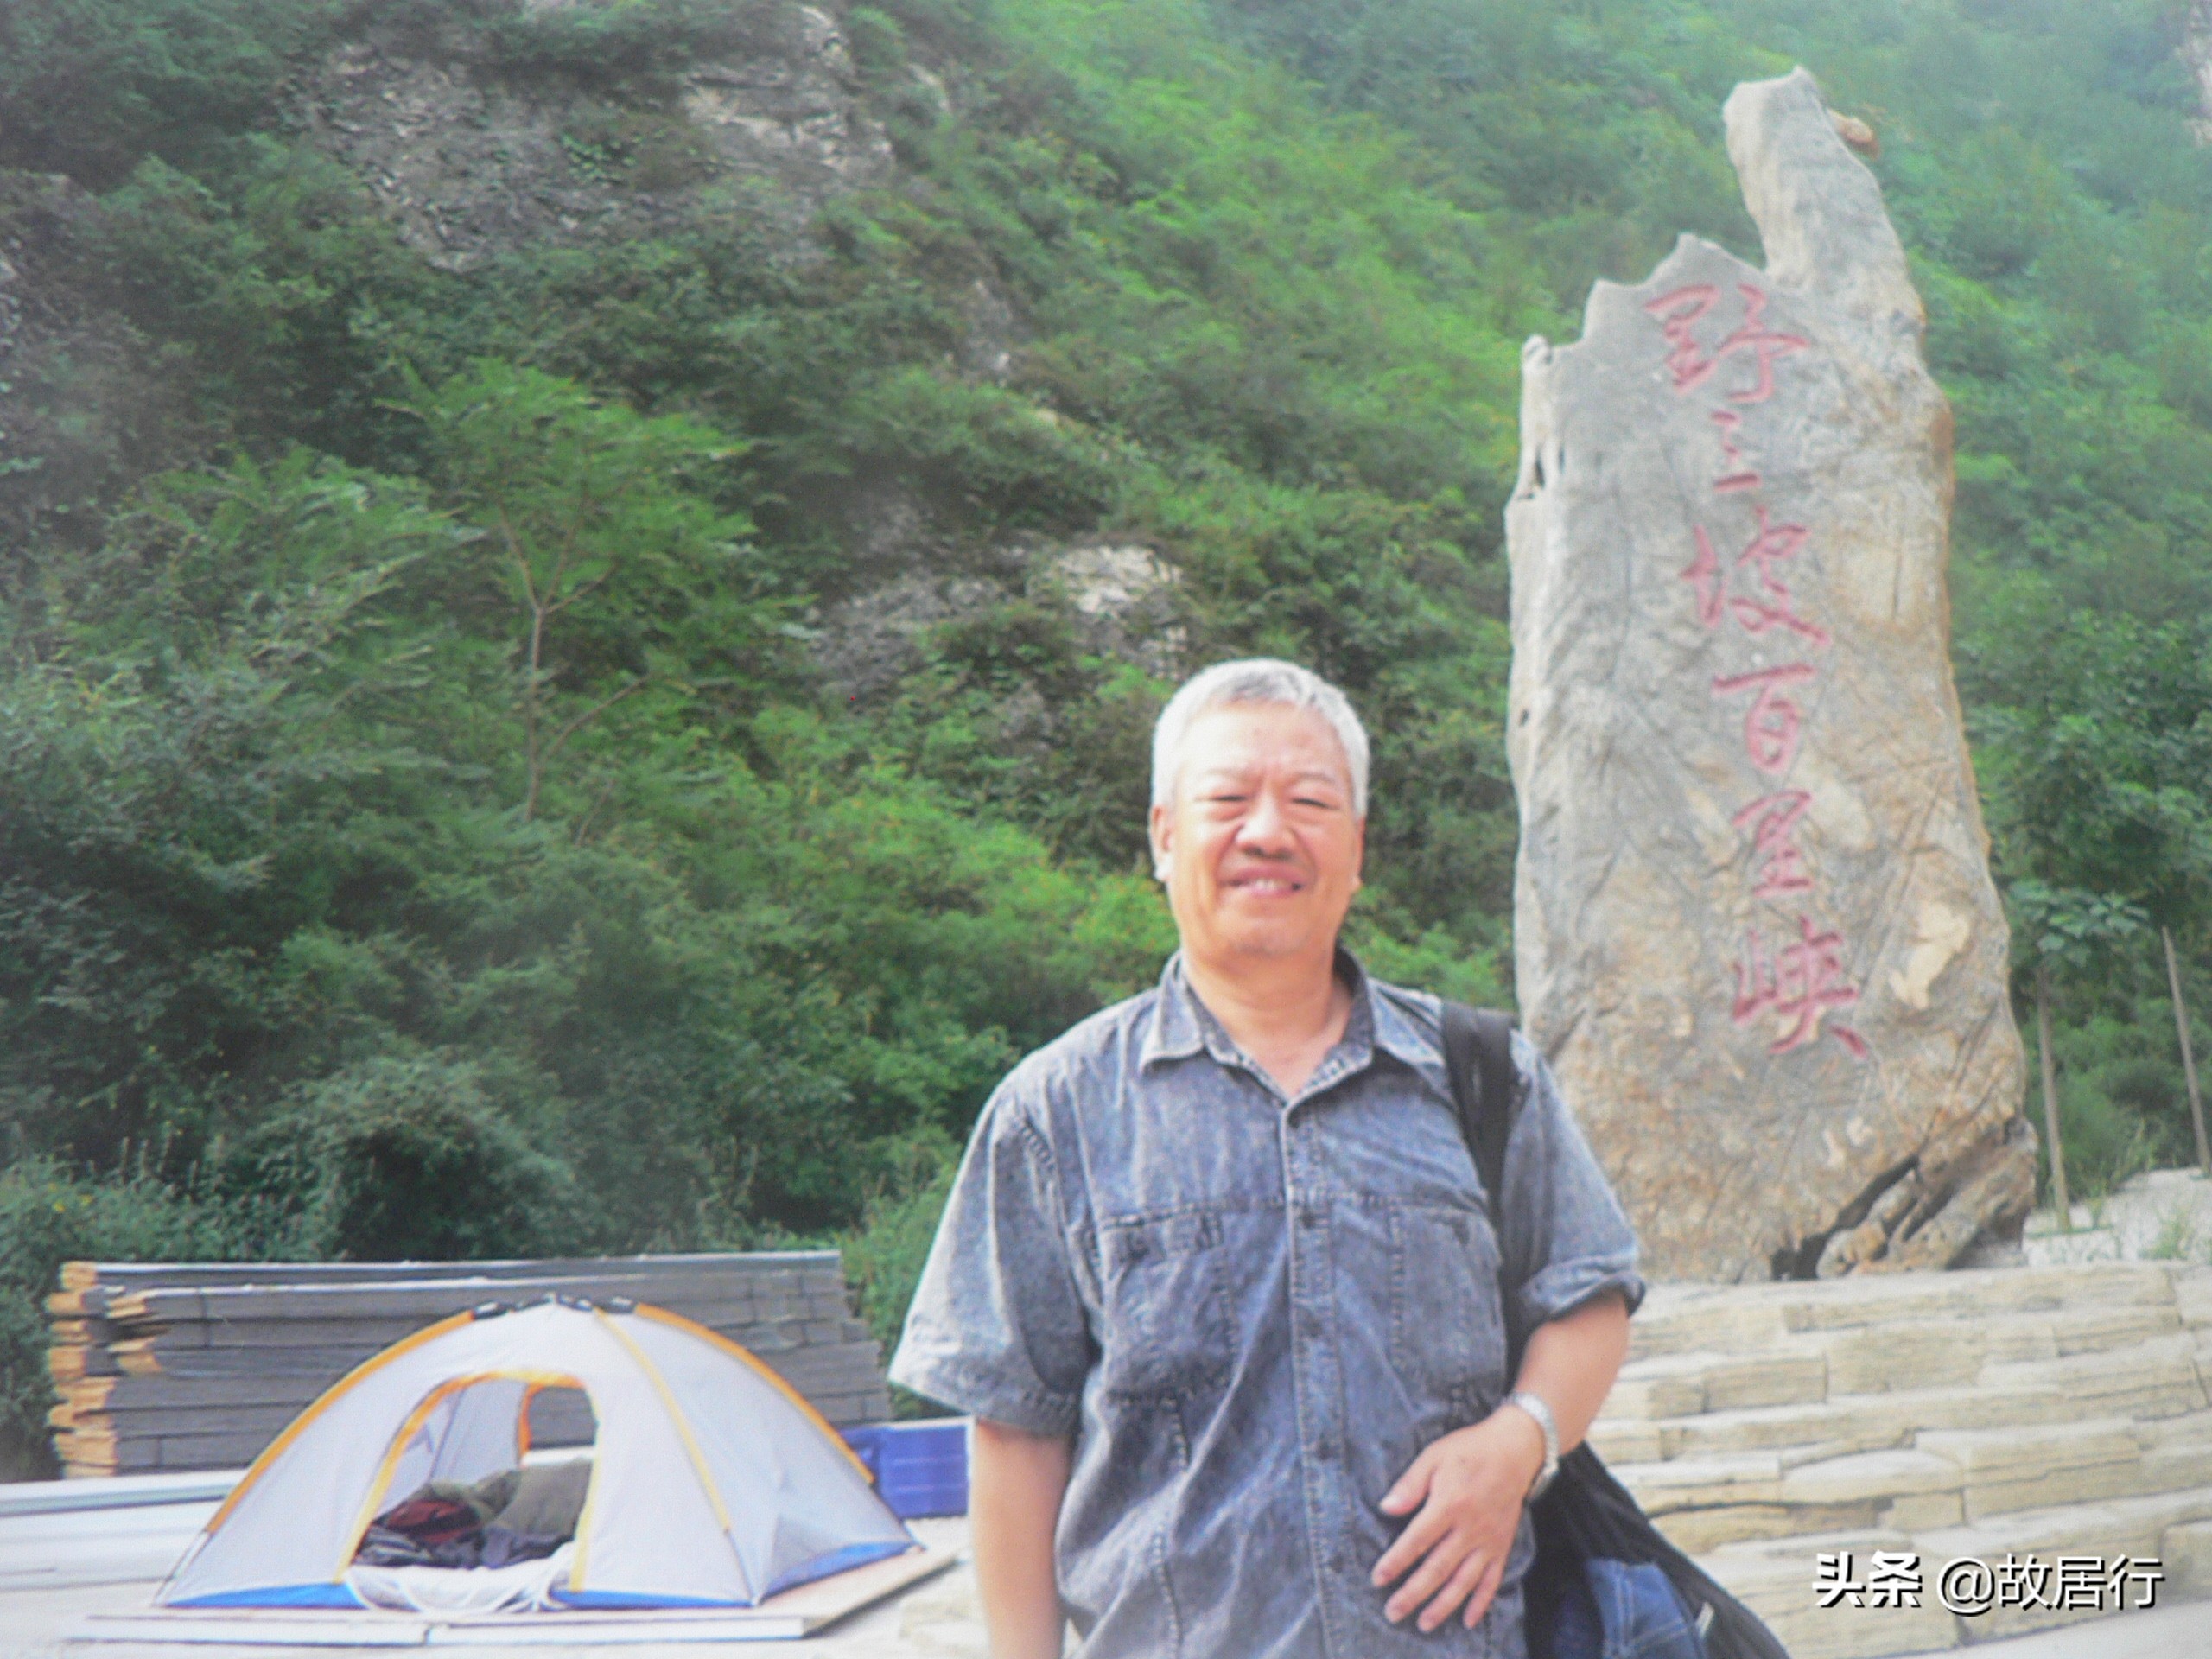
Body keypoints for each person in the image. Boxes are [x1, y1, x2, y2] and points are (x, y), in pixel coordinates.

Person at [889, 658, 1643, 1659]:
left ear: (1356, 848)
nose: (1268, 832)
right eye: (1228, 800)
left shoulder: (1481, 1075)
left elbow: (1589, 1294)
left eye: (1311, 802)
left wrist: (1521, 1440)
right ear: (1164, 837)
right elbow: (1015, 1426)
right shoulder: (1055, 1110)